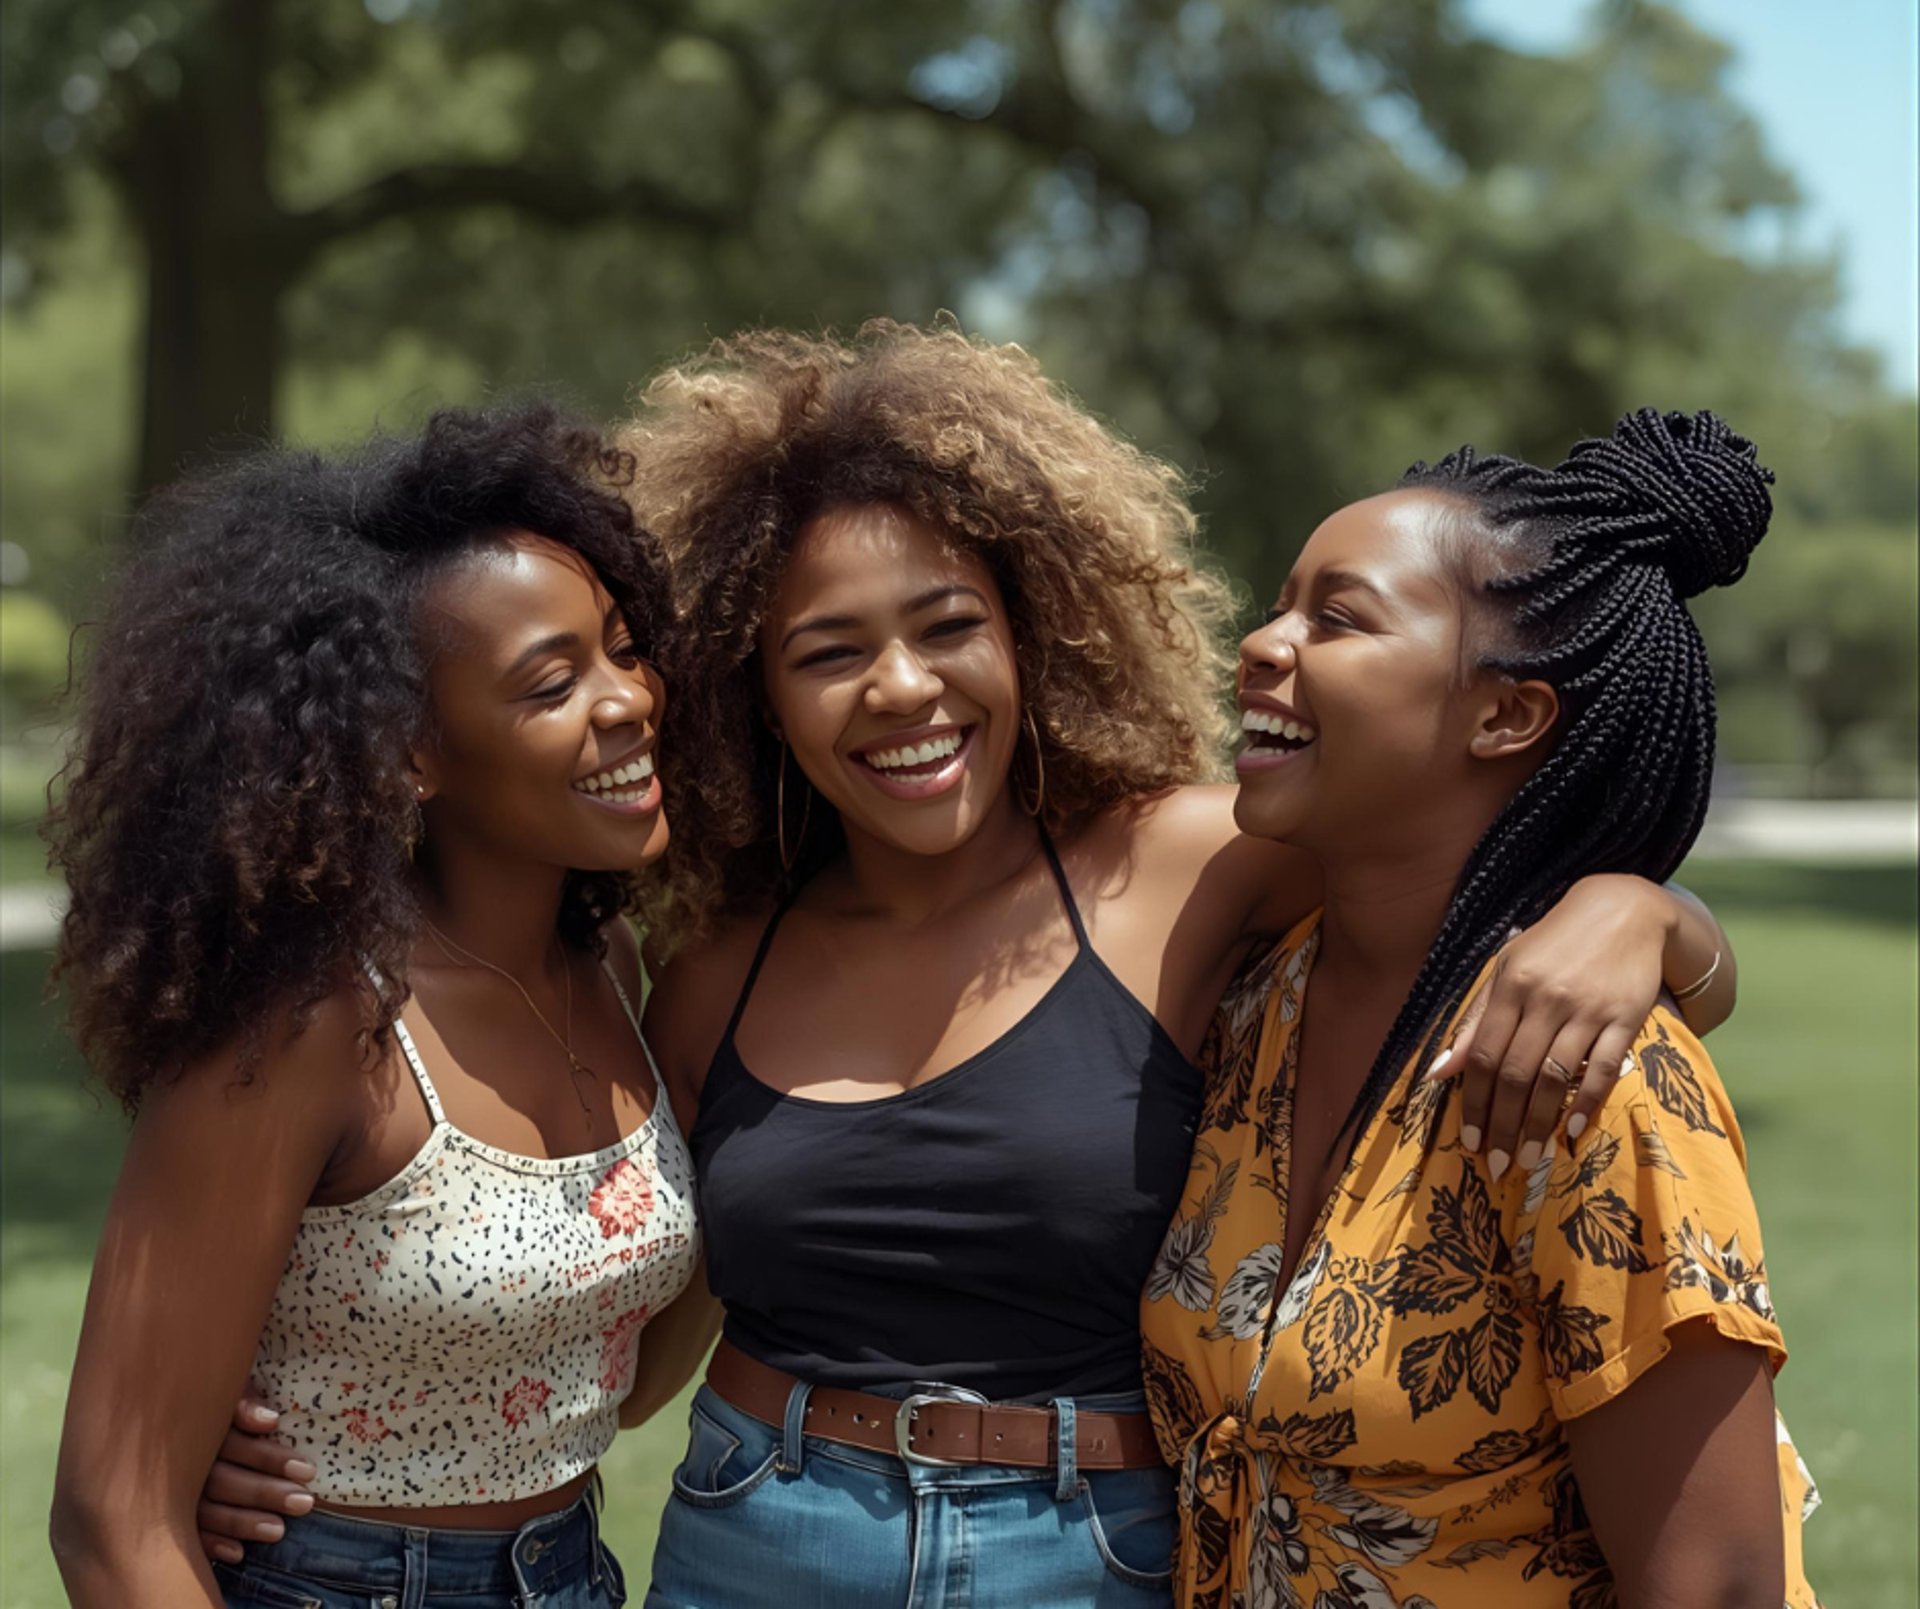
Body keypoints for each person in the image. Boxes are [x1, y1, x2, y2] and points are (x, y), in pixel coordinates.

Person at [191, 326, 1737, 1607]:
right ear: (758, 695)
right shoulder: (718, 968)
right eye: (828, 651)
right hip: (753, 1537)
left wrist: (1638, 910)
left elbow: (1459, 844)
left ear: (1032, 635)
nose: (903, 689)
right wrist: (308, 1446)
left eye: (947, 626)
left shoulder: (1193, 868)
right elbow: (616, 1315)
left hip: (1095, 1554)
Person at [1141, 409, 1820, 1607]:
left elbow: (1716, 1585)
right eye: (1282, 601)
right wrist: (1658, 910)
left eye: (1336, 619)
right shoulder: (1253, 1008)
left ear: (1506, 714)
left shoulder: (1595, 1083)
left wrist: (1643, 908)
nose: (1260, 641)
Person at [49, 408, 704, 1609]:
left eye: (622, 646)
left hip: (572, 1572)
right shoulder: (312, 1021)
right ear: (409, 751)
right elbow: (113, 1519)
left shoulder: (610, 962)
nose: (627, 701)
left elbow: (582, 1374)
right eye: (552, 682)